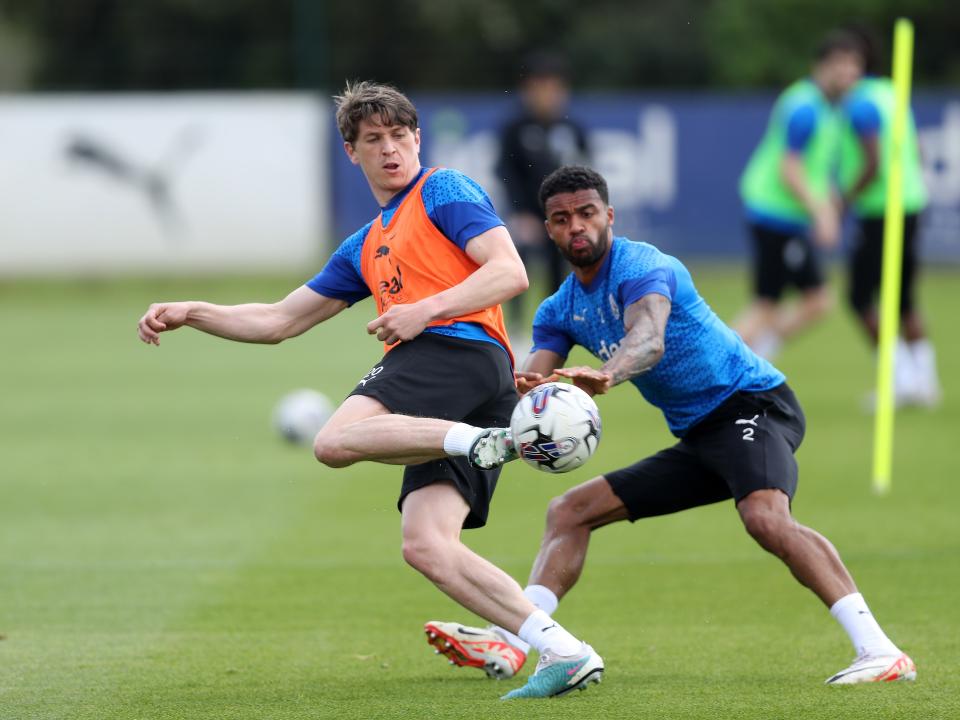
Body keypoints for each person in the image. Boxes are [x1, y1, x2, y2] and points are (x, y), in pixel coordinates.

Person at [137, 82, 602, 701]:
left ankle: (486, 441)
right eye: (373, 140)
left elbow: (509, 270)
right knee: (427, 546)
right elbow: (279, 321)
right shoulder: (365, 244)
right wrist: (194, 310)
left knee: (333, 441)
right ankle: (564, 651)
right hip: (462, 379)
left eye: (399, 135)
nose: (390, 150)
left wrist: (423, 311)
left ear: (417, 138)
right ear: (351, 152)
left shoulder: (443, 190)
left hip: (455, 353)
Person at [429, 165, 916, 686]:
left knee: (765, 517)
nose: (577, 227)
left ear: (609, 216)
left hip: (752, 405)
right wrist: (496, 428)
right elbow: (529, 386)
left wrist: (607, 374)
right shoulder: (559, 309)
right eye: (562, 218)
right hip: (703, 437)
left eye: (588, 214)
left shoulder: (642, 265)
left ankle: (880, 650)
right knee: (570, 512)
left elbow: (650, 337)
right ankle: (516, 641)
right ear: (548, 229)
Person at [734, 31, 865, 359]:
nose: (849, 73)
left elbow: (815, 168)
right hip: (774, 214)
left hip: (788, 217)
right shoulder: (805, 107)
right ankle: (718, 364)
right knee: (767, 305)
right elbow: (789, 169)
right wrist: (822, 212)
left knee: (816, 301)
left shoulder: (829, 108)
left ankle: (755, 354)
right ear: (821, 66)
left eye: (854, 66)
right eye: (841, 65)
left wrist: (829, 203)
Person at [838, 28, 942, 407]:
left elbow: (873, 162)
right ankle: (924, 382)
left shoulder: (862, 102)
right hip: (911, 201)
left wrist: (842, 200)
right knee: (903, 299)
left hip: (882, 209)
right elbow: (915, 146)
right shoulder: (890, 93)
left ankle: (902, 379)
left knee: (859, 296)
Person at [497, 51, 590, 337]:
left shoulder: (572, 128)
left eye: (554, 88)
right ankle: (513, 328)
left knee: (560, 264)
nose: (547, 95)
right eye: (541, 87)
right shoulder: (515, 128)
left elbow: (585, 171)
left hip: (563, 213)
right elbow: (506, 171)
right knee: (516, 258)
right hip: (527, 213)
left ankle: (555, 327)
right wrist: (519, 214)